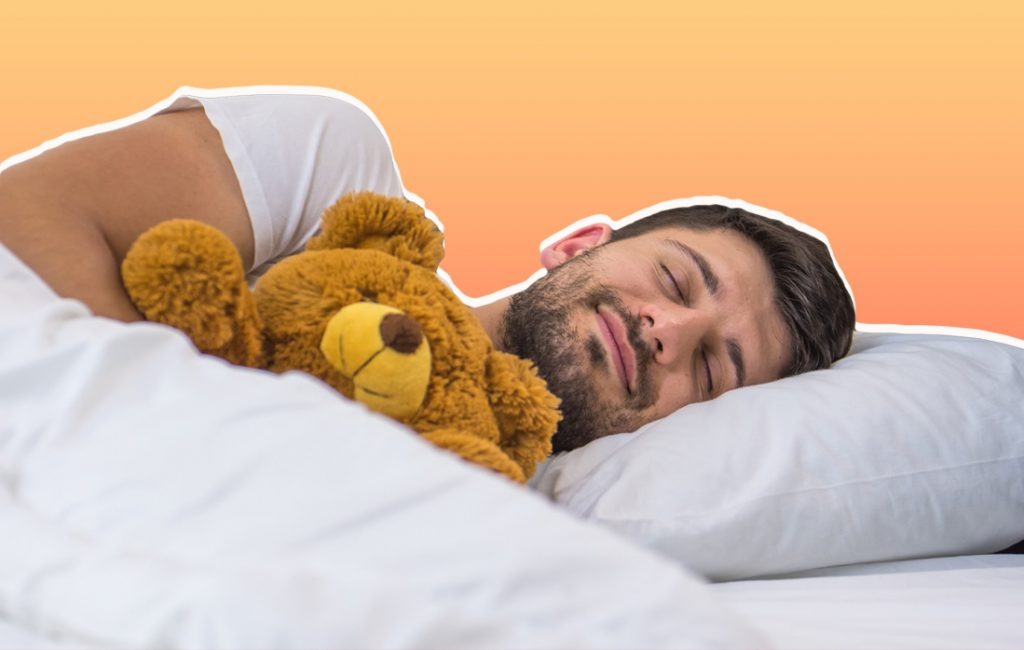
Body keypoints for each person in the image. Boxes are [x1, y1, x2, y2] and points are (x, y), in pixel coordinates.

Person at [0, 87, 855, 453]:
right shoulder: (338, 170)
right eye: (675, 283)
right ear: (578, 242)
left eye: (711, 369)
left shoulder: (497, 513)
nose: (666, 331)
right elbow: (25, 216)